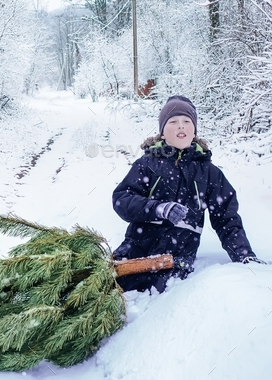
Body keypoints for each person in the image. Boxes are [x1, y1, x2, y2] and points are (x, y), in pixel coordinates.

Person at [112, 95, 265, 293]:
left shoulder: (209, 173)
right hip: (136, 251)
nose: (181, 126)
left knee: (157, 303)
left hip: (177, 261)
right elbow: (122, 199)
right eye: (173, 122)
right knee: (105, 294)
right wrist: (158, 209)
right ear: (162, 132)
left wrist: (244, 254)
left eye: (186, 121)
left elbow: (227, 218)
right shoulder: (147, 164)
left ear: (194, 130)